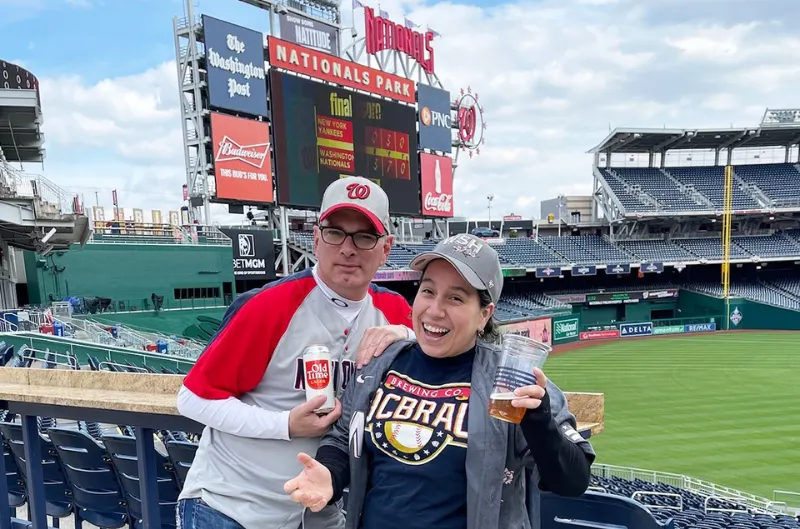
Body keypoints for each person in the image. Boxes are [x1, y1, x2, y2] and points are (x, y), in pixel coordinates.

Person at [284, 233, 595, 529]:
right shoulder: (382, 362)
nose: (434, 310)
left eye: (456, 298)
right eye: (428, 291)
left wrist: (539, 422)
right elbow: (341, 436)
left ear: (484, 314)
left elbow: (573, 480)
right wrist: (329, 474)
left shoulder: (510, 377)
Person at [176, 176, 416, 529]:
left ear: (386, 248)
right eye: (335, 233)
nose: (348, 249)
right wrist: (284, 424)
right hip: (232, 508)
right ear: (317, 240)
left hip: (318, 515)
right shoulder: (268, 306)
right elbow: (191, 400)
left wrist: (408, 333)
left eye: (365, 236)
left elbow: (452, 347)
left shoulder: (395, 312)